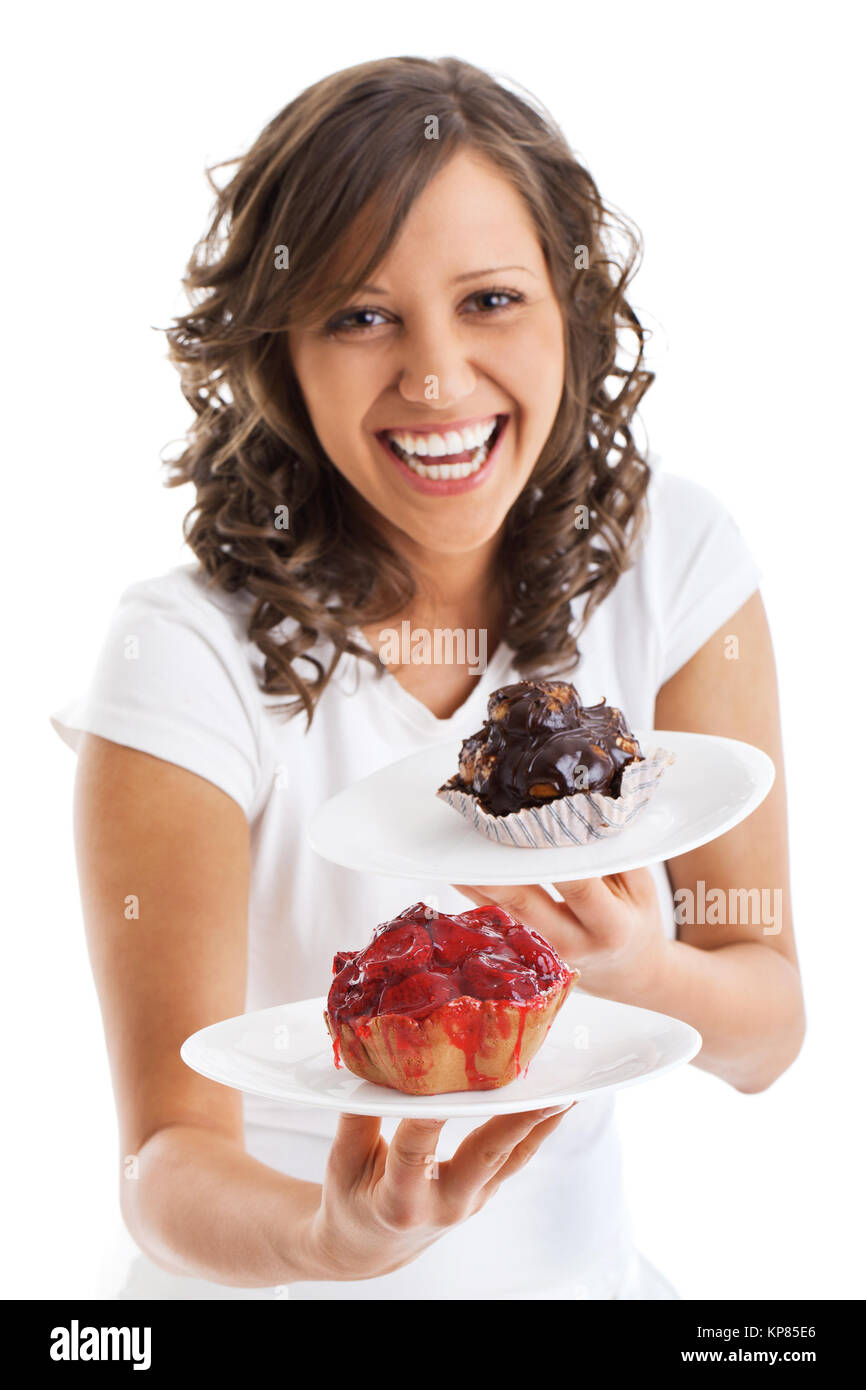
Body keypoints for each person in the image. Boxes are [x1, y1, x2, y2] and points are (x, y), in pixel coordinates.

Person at [50, 55, 805, 1300]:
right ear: (279, 353)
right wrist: (326, 1241)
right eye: (358, 314)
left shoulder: (673, 560)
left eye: (492, 299)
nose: (436, 377)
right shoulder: (179, 658)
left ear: (573, 309)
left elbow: (765, 1035)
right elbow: (163, 1159)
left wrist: (632, 963)